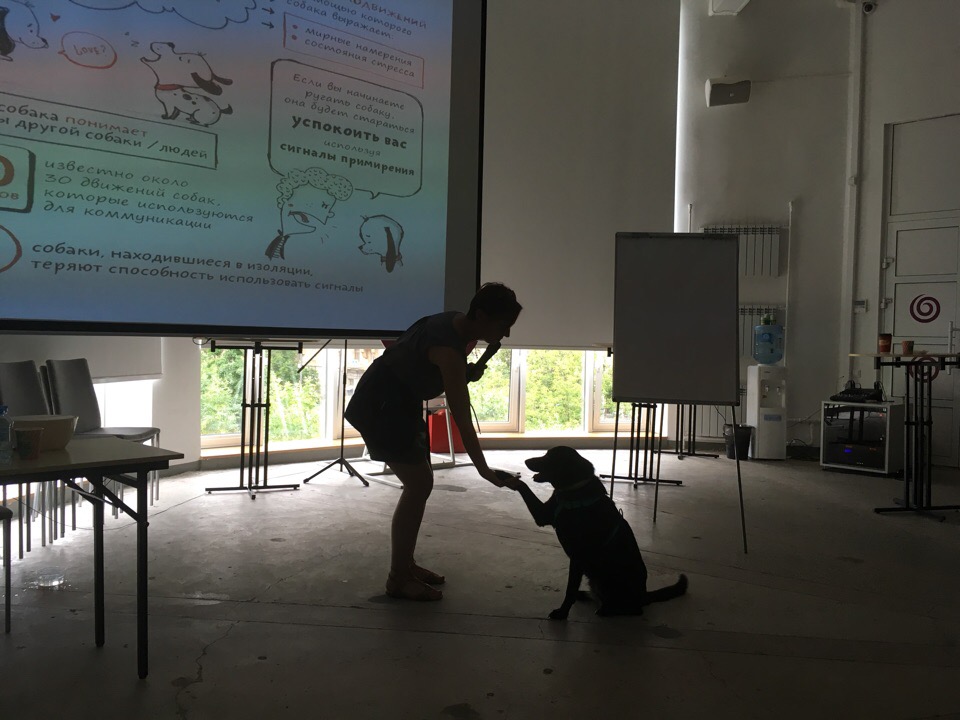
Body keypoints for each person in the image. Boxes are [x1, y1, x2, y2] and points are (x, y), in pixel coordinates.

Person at [344, 282, 522, 601]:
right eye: (503, 325)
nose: (506, 334)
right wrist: (484, 471)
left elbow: (425, 367)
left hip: (396, 400)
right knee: (419, 485)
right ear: (482, 316)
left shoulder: (452, 321)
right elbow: (462, 418)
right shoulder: (448, 350)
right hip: (382, 405)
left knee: (420, 483)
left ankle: (406, 565)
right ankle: (398, 578)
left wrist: (462, 373)